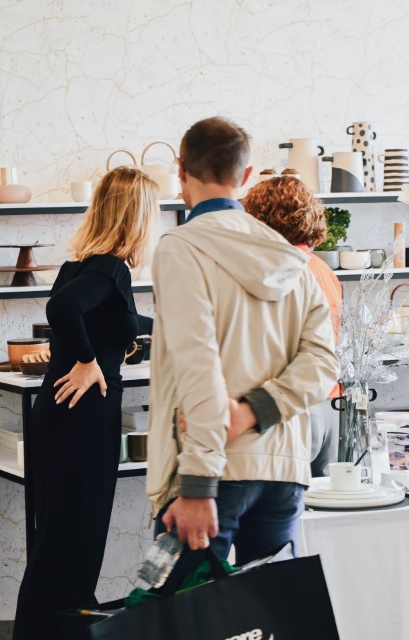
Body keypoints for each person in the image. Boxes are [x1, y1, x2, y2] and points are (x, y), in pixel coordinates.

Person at [147, 117, 340, 563]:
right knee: (271, 605)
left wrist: (198, 484)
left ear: (181, 169)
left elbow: (197, 365)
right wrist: (257, 410)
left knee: (179, 605)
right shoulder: (293, 260)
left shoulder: (181, 248)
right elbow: (323, 365)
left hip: (209, 476)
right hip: (283, 470)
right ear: (246, 175)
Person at [13, 167, 158, 640]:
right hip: (85, 417)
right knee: (74, 544)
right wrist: (88, 360)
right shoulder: (112, 268)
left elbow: (112, 317)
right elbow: (62, 310)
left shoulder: (79, 267)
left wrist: (166, 323)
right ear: (136, 216)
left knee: (59, 543)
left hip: (60, 414)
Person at [242, 176, 344, 477]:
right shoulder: (322, 268)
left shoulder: (279, 272)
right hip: (330, 404)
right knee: (322, 501)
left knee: (282, 500)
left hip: (294, 407)